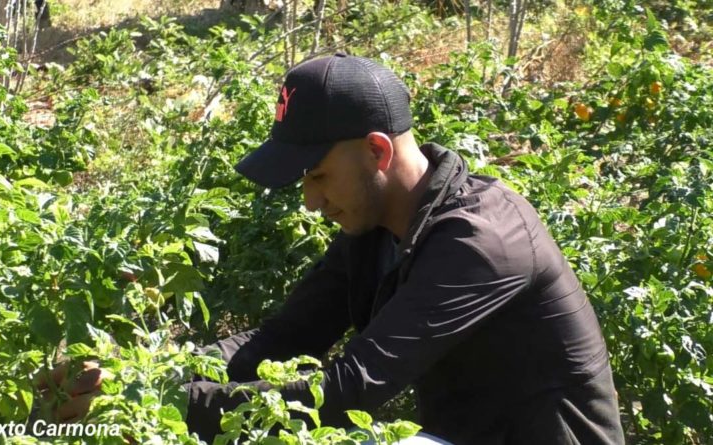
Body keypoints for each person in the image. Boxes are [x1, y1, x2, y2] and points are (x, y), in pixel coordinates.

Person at [40, 53, 626, 444]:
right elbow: (282, 338)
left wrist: (168, 403)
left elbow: (351, 389)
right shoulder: (375, 228)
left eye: (317, 176)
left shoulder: (481, 241)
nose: (310, 202)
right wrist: (137, 377)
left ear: (377, 152)